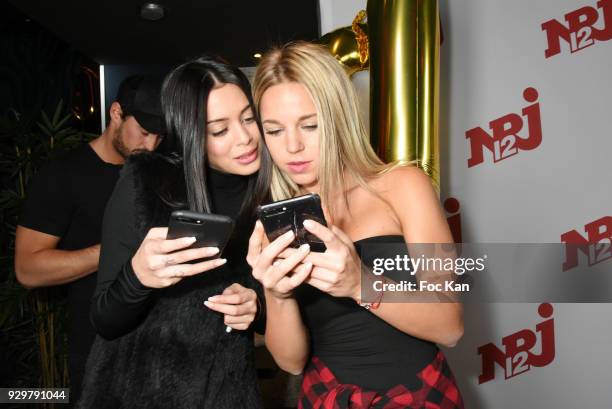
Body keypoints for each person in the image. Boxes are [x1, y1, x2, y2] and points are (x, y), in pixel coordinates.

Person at [247, 41, 465, 408]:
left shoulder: (404, 186)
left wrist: (359, 283)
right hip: (327, 397)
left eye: (310, 125)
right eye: (274, 130)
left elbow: (450, 324)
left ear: (338, 117)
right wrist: (277, 293)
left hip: (417, 396)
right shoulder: (276, 215)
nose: (293, 146)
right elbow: (291, 361)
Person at [76, 56, 269, 409]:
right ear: (190, 132)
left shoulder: (275, 192)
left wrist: (258, 309)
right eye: (220, 130)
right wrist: (138, 276)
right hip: (135, 391)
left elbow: (297, 316)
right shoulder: (145, 183)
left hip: (227, 391)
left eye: (248, 118)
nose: (245, 138)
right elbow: (105, 320)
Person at [14, 74, 165, 401]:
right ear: (115, 114)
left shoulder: (157, 173)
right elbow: (27, 269)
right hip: (97, 351)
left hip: (157, 351)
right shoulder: (63, 176)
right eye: (143, 132)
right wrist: (120, 250)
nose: (151, 146)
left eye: (159, 137)